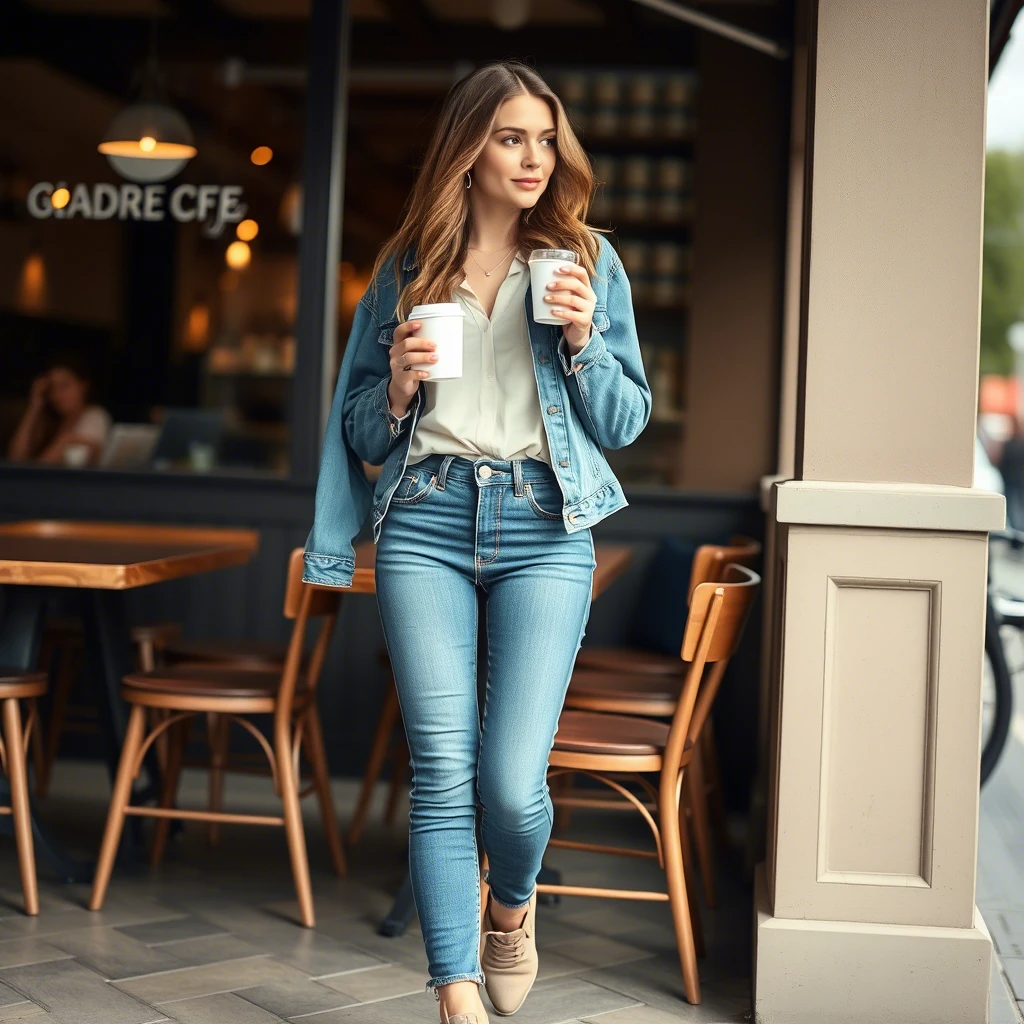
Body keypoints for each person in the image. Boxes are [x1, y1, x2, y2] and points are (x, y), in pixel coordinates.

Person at [303, 61, 651, 1024]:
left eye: (546, 137)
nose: (534, 157)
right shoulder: (407, 268)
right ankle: (455, 990)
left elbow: (625, 421)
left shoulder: (587, 263)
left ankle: (513, 903)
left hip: (546, 525)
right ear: (468, 149)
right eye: (511, 137)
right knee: (443, 772)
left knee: (509, 781)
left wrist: (584, 344)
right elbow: (365, 436)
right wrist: (402, 389)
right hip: (426, 519)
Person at [6, 356, 111, 467]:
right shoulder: (48, 419)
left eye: (64, 385)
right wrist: (34, 407)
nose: (57, 394)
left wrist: (66, 440)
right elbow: (15, 460)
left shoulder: (95, 416)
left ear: (83, 386)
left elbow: (41, 469)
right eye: (52, 387)